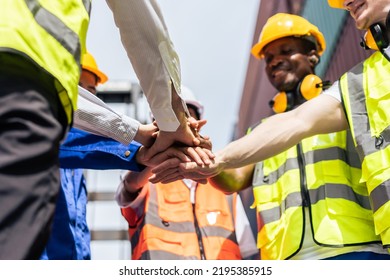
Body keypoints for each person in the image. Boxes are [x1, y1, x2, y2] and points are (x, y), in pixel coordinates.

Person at [150, 2, 390, 256]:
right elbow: (233, 178)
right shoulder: (262, 132)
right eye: (269, 58)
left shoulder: (351, 100)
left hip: (356, 251)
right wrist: (206, 155)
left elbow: (301, 120)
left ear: (312, 56)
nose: (276, 62)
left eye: (286, 51)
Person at [0, 0, 210, 260]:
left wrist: (142, 137)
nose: (88, 97)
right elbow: (137, 15)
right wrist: (170, 122)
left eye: (93, 93)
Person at [116, 88, 259, 260]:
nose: (181, 125)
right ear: (155, 127)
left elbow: (248, 253)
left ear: (199, 122)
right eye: (170, 120)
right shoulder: (147, 182)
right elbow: (126, 191)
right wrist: (153, 155)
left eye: (187, 115)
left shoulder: (224, 189)